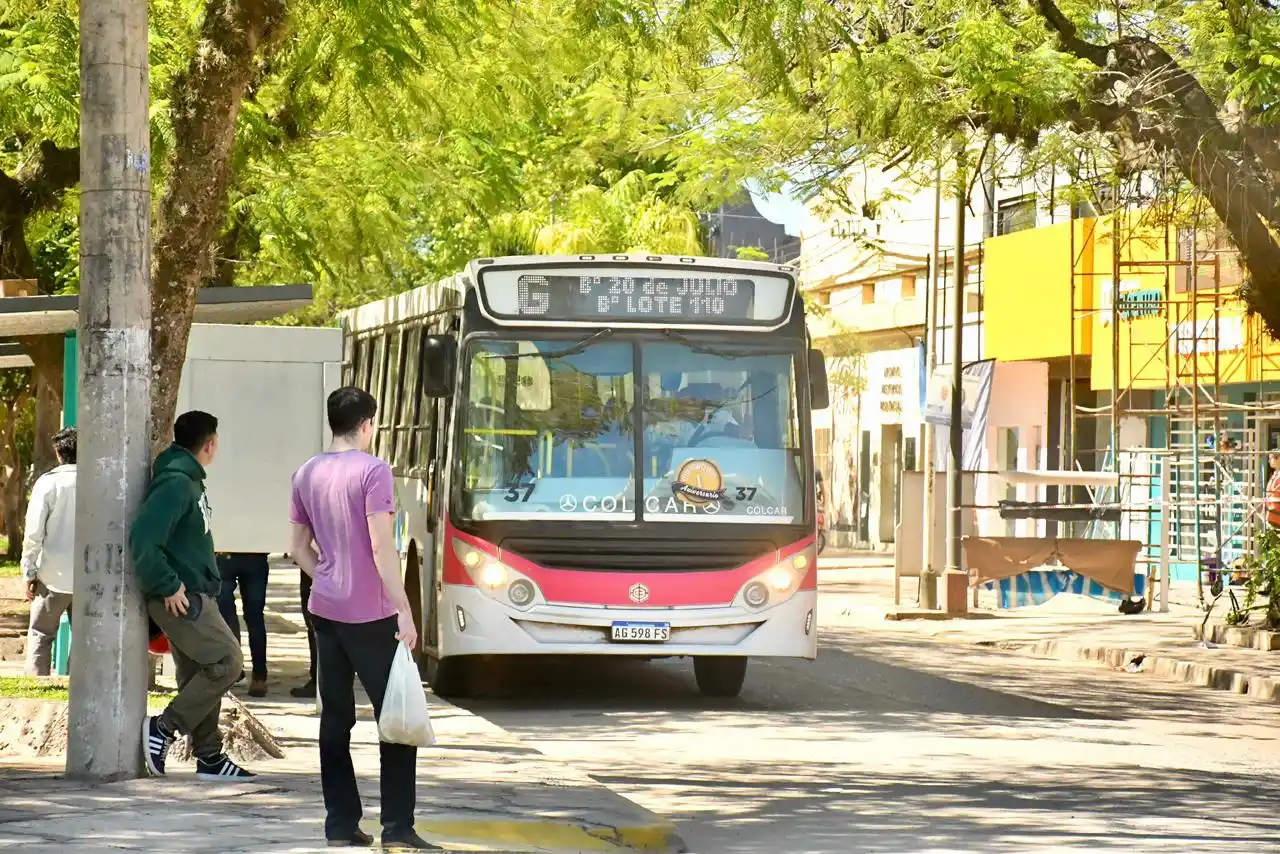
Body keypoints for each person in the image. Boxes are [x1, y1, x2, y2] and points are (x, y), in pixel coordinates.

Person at [289, 387, 433, 851]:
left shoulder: (306, 472)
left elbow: (297, 548)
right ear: (367, 424)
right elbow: (380, 547)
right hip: (372, 615)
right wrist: (405, 610)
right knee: (396, 718)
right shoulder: (374, 471)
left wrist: (327, 576)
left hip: (325, 612)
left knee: (335, 721)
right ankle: (398, 828)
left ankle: (341, 825)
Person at [131, 411, 254, 781]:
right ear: (210, 443)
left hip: (193, 593)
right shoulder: (176, 483)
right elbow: (143, 540)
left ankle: (210, 757)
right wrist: (167, 584)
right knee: (227, 662)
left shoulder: (188, 481)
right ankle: (163, 728)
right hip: (182, 597)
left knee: (198, 674)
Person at [21, 428, 78, 676]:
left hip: (51, 576)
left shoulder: (47, 483)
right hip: (90, 578)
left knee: (41, 634)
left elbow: (33, 532)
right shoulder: (98, 483)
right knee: (85, 640)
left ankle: (37, 686)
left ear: (58, 453)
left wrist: (29, 572)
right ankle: (77, 686)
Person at [215, 551, 271, 697]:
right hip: (255, 555)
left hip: (225, 553)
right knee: (255, 618)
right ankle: (259, 676)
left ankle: (235, 670)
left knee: (227, 616)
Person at [1267, 451, 1280, 530]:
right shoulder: (1275, 474)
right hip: (1272, 514)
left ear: (1278, 458)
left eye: (1270, 458)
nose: (1269, 461)